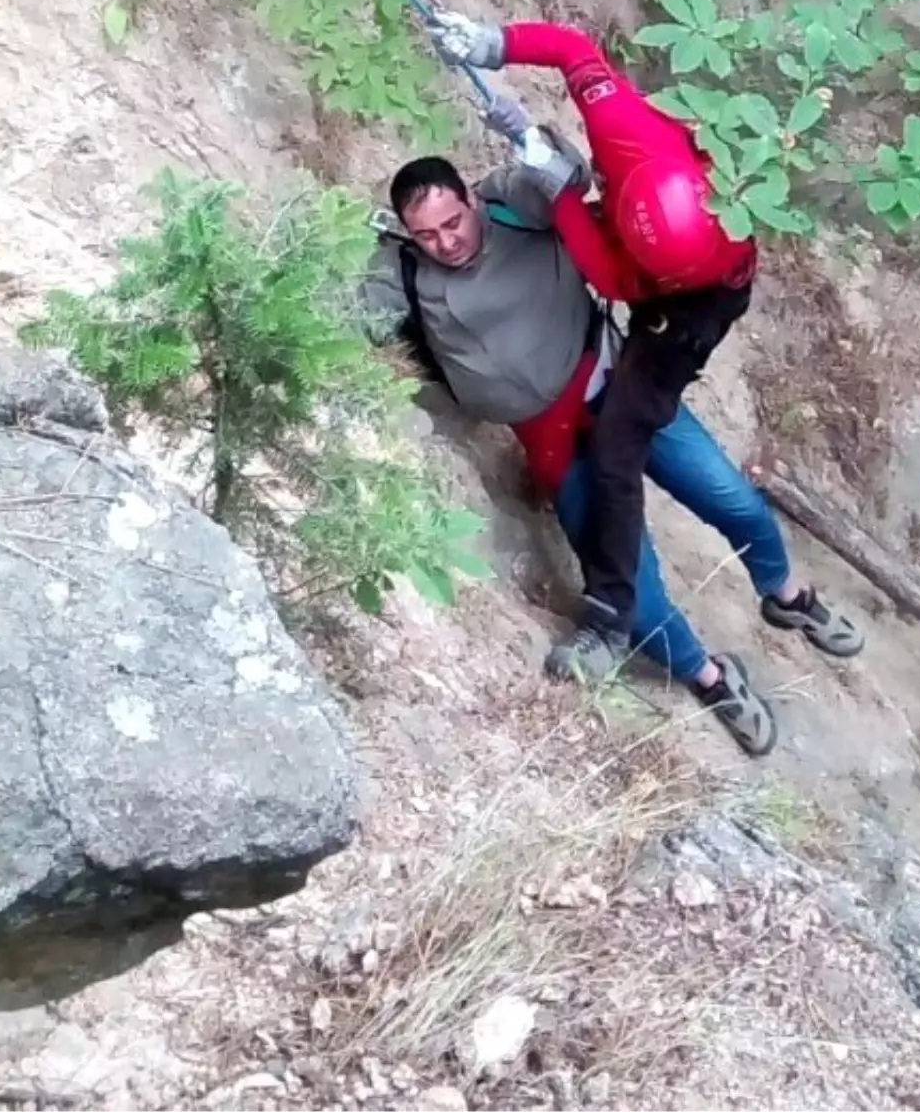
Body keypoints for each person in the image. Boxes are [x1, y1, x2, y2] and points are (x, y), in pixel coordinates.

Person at [361, 139, 862, 754]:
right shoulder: (405, 272)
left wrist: (538, 141)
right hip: (554, 444)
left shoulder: (510, 203)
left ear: (469, 199)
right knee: (635, 602)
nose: (446, 242)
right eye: (427, 234)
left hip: (620, 391)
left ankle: (787, 596)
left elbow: (566, 177)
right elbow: (357, 319)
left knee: (732, 500)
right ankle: (713, 679)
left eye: (452, 221)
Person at [426, 12, 858, 681]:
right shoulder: (627, 131)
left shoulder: (696, 268)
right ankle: (683, 656)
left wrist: (553, 180)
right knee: (620, 476)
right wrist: (492, 44)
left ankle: (782, 595)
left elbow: (612, 276)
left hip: (686, 311)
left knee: (624, 458)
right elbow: (572, 50)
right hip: (639, 263)